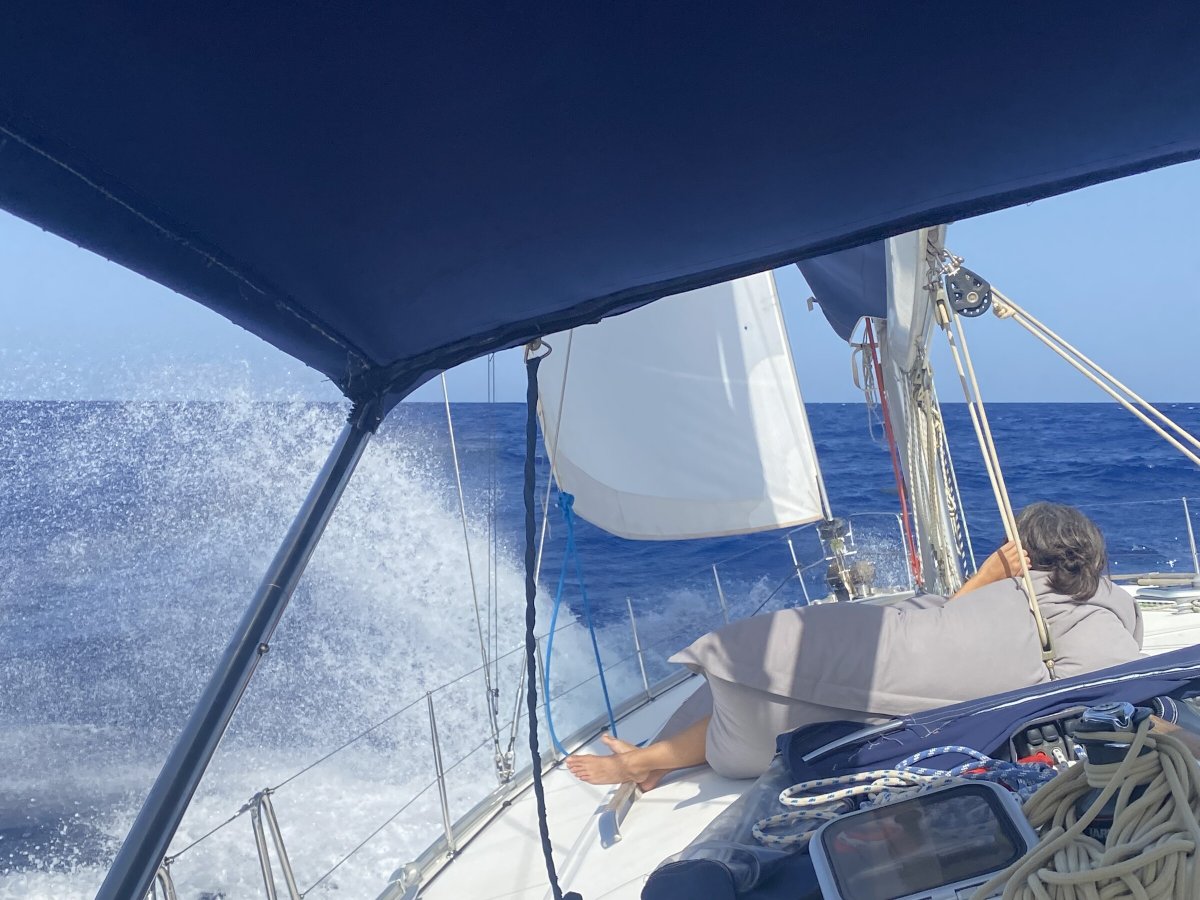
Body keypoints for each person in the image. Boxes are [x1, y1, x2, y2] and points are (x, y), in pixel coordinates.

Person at [565, 502, 1143, 789]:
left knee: (782, 695)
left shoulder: (1014, 597)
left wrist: (989, 574)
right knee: (786, 694)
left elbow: (947, 626)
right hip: (943, 707)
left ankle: (645, 761)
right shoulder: (1107, 609)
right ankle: (648, 760)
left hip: (891, 706)